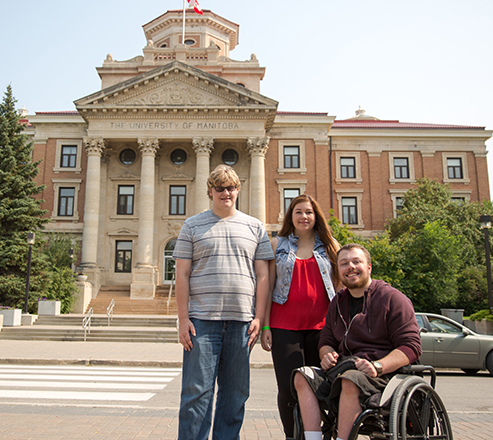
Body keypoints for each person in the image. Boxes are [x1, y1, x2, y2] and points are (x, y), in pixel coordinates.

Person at [174, 164, 274, 440]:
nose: (226, 193)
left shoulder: (254, 226)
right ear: (210, 191)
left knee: (235, 393)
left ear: (238, 190)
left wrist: (259, 318)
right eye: (220, 188)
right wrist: (183, 320)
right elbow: (181, 273)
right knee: (196, 393)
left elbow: (263, 275)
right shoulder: (192, 225)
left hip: (242, 322)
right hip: (201, 322)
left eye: (231, 187)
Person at [292, 244, 422, 440]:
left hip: (383, 375)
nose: (350, 267)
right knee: (302, 376)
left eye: (356, 261)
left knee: (350, 380)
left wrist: (378, 366)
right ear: (339, 271)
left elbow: (411, 346)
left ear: (369, 267)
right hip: (344, 369)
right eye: (344, 263)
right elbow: (326, 340)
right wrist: (326, 354)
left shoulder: (392, 298)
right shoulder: (337, 302)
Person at [260, 194, 339, 438]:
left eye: (308, 212)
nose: (304, 216)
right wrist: (265, 326)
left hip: (322, 328)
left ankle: (317, 434)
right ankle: (292, 435)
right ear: (290, 217)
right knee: (287, 387)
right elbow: (268, 285)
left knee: (320, 386)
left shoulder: (330, 245)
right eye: (298, 212)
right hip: (284, 326)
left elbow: (342, 286)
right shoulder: (277, 245)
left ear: (316, 217)